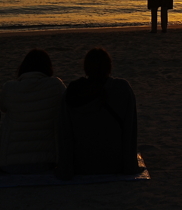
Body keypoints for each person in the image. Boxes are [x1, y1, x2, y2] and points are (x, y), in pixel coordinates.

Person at [56, 48, 139, 178]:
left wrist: (66, 170)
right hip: (114, 164)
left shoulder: (72, 92)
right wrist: (130, 167)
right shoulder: (122, 89)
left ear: (86, 68)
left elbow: (65, 133)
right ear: (109, 67)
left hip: (81, 166)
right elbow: (130, 131)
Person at [0, 49, 66, 173]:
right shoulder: (55, 85)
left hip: (10, 162)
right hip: (45, 161)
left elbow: (4, 107)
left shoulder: (9, 87)